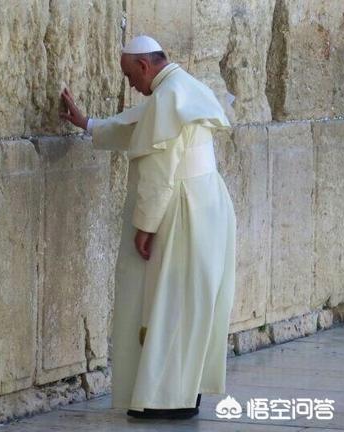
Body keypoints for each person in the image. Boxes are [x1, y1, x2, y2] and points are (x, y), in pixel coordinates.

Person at [59, 35, 236, 420]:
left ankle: (162, 399)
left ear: (143, 65)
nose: (131, 84)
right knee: (193, 301)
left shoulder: (169, 95)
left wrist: (146, 226)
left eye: (129, 75)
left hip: (181, 211)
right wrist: (88, 123)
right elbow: (138, 125)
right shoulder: (181, 87)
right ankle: (183, 394)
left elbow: (158, 170)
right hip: (208, 204)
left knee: (168, 300)